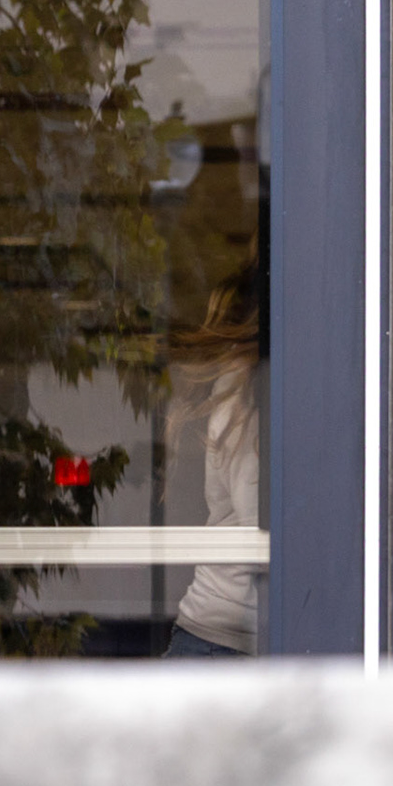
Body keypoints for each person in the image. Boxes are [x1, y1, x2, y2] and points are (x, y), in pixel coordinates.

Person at [164, 244, 264, 659]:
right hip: (221, 642)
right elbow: (263, 524)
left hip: (224, 639)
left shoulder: (245, 388)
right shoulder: (244, 391)